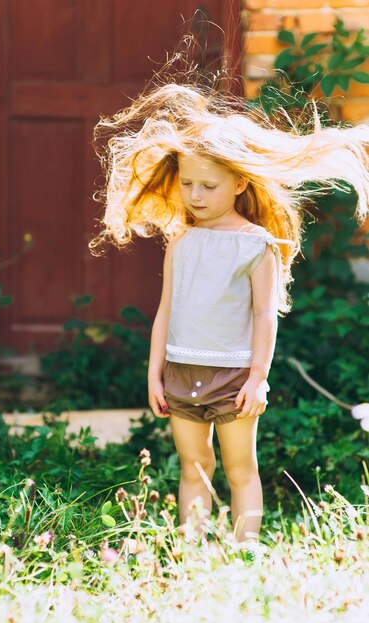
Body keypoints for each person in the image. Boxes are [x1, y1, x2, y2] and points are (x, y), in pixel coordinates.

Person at [91, 81, 369, 543]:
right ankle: (193, 554)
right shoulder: (181, 240)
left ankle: (244, 554)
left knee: (241, 469)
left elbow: (264, 316)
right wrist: (154, 372)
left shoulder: (257, 245)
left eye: (209, 185)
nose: (195, 195)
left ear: (239, 182)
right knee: (194, 467)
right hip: (181, 370)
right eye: (187, 184)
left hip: (234, 378)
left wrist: (258, 376)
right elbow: (166, 311)